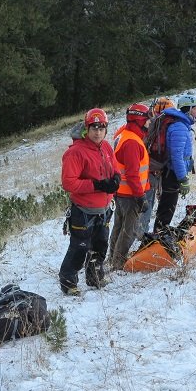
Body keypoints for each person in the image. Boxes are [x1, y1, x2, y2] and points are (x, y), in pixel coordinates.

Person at [58, 108, 119, 295]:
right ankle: (68, 282)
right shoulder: (76, 152)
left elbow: (115, 168)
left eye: (102, 128)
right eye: (94, 127)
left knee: (100, 246)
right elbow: (69, 183)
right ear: (87, 128)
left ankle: (94, 277)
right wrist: (97, 185)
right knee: (79, 248)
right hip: (83, 211)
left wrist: (116, 178)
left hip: (104, 209)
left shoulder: (106, 147)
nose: (98, 132)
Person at [152, 95, 196, 248]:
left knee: (167, 207)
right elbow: (177, 157)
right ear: (188, 109)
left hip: (172, 173)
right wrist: (183, 179)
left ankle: (159, 236)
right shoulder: (179, 127)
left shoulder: (182, 124)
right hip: (172, 174)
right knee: (167, 208)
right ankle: (157, 241)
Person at [107, 103, 151, 270]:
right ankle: (118, 263)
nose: (149, 122)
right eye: (147, 119)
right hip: (131, 194)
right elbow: (133, 174)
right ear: (139, 120)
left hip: (121, 193)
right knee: (129, 230)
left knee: (118, 227)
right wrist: (140, 196)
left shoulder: (123, 134)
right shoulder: (132, 142)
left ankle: (112, 259)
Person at [139, 97, 175, 236]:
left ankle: (141, 233)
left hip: (148, 170)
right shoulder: (164, 125)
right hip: (152, 172)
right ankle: (141, 234)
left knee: (146, 204)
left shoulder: (154, 125)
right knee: (147, 204)